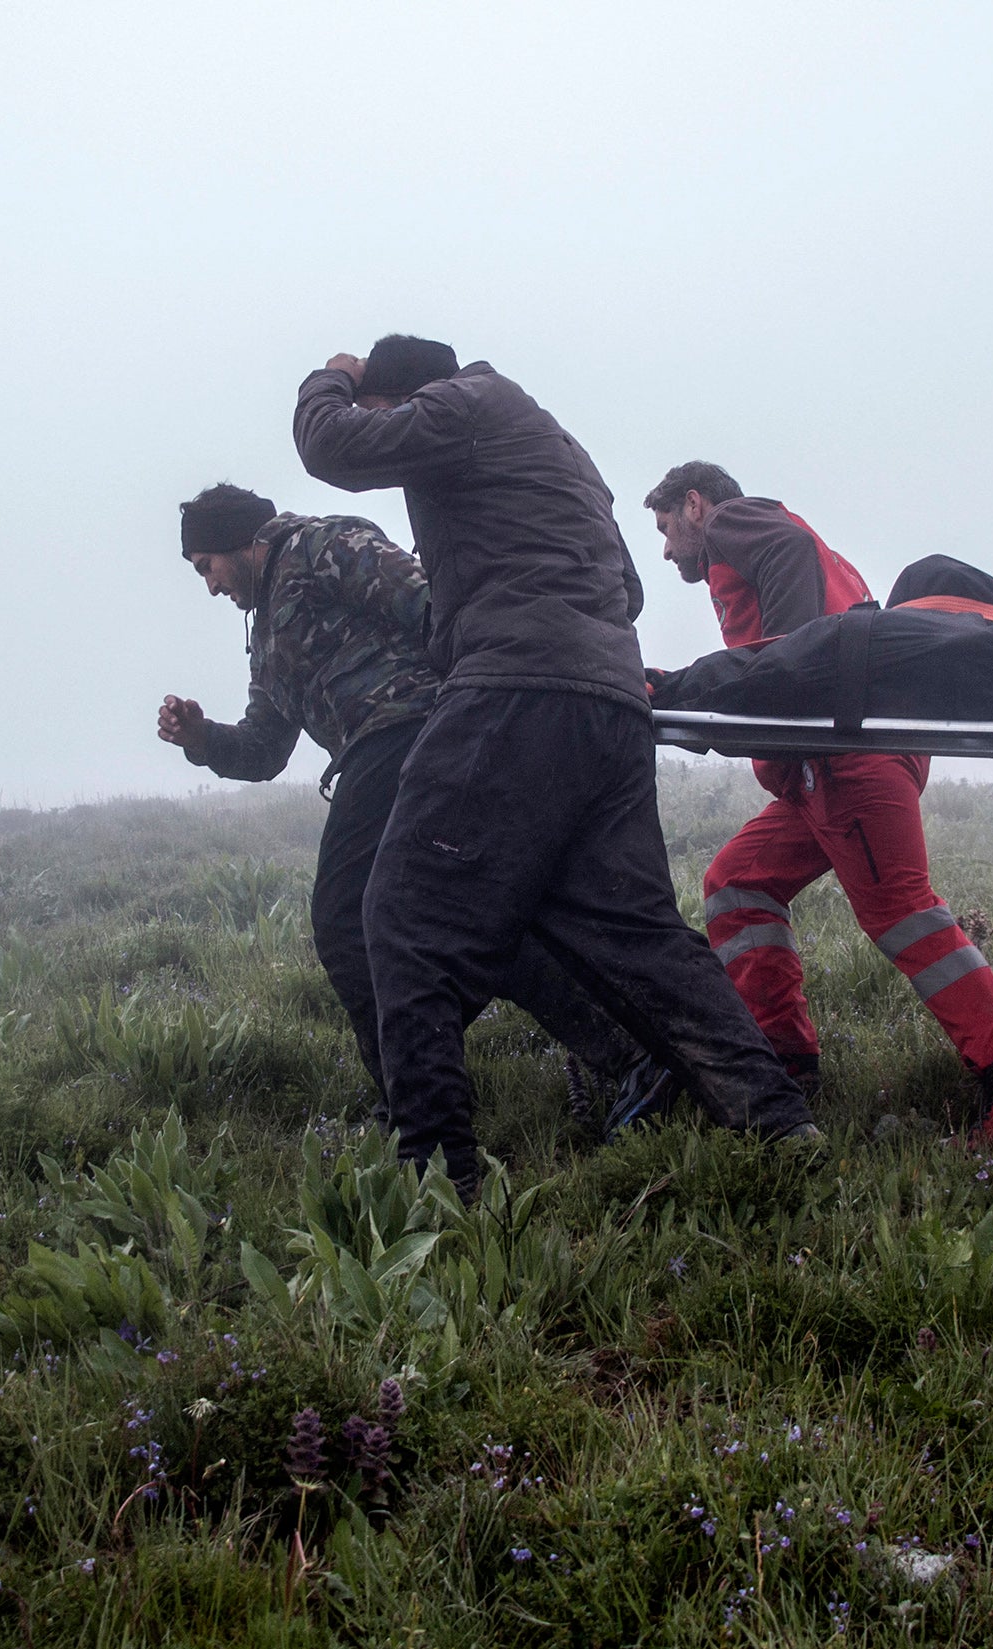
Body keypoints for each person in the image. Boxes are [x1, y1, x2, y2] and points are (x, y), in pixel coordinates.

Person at [293, 337, 818, 1191]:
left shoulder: (461, 405)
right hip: (607, 702)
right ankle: (777, 1122)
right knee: (639, 933)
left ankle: (438, 1179)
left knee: (397, 915)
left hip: (514, 689)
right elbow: (629, 589)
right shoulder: (556, 446)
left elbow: (331, 447)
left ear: (406, 396)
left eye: (390, 417)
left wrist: (335, 379)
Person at [155, 482, 672, 1122]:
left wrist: (498, 701)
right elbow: (265, 749)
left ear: (242, 542)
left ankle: (414, 1103)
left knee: (346, 920)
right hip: (378, 752)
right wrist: (203, 740)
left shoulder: (322, 545)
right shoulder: (265, 635)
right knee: (474, 921)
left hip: (417, 730)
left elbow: (433, 604)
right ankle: (632, 1059)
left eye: (207, 567)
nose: (209, 586)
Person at [642, 461, 993, 1142]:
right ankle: (784, 1066)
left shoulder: (738, 523)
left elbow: (791, 626)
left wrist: (790, 663)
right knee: (737, 882)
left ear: (696, 505)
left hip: (847, 759)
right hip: (833, 763)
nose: (667, 547)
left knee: (902, 913)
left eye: (667, 527)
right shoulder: (775, 556)